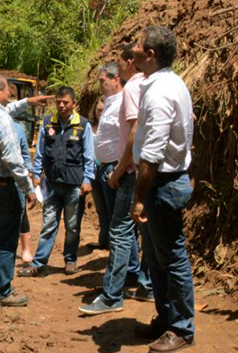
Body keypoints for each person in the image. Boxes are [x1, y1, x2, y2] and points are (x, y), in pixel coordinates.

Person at [130, 26, 196, 352]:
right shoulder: (168, 84)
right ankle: (166, 319)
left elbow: (152, 155)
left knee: (171, 259)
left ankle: (182, 328)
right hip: (165, 183)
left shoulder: (159, 93)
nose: (134, 48)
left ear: (151, 54)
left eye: (139, 45)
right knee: (157, 259)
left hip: (163, 185)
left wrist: (139, 197)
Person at [80, 46, 153, 317]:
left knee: (121, 232)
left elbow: (134, 131)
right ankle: (145, 285)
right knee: (134, 230)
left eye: (121, 63)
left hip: (129, 171)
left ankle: (112, 295)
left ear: (129, 64)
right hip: (134, 169)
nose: (119, 70)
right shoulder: (152, 85)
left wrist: (121, 168)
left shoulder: (134, 88)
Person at [0, 74, 52, 307]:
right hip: (4, 186)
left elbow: (6, 110)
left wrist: (28, 103)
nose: (10, 94)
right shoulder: (2, 120)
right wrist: (29, 189)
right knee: (6, 241)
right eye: (7, 90)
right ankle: (2, 291)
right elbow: (14, 161)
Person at [18, 86, 95, 277]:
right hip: (52, 184)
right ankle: (39, 263)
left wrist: (87, 179)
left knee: (72, 225)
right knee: (48, 225)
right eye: (58, 102)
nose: (61, 105)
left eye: (65, 102)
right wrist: (36, 175)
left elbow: (89, 156)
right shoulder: (47, 124)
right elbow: (41, 152)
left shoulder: (83, 125)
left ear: (73, 104)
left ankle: (70, 260)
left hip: (74, 186)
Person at [10, 85, 35, 264]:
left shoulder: (19, 129)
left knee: (21, 213)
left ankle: (26, 249)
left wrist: (30, 172)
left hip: (18, 179)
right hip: (2, 178)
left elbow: (25, 154)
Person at [87, 92, 113, 251]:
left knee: (112, 208)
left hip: (108, 168)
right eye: (98, 110)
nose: (101, 113)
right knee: (101, 209)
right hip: (92, 171)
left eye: (104, 110)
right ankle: (103, 239)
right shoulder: (89, 127)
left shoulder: (112, 129)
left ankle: (113, 242)